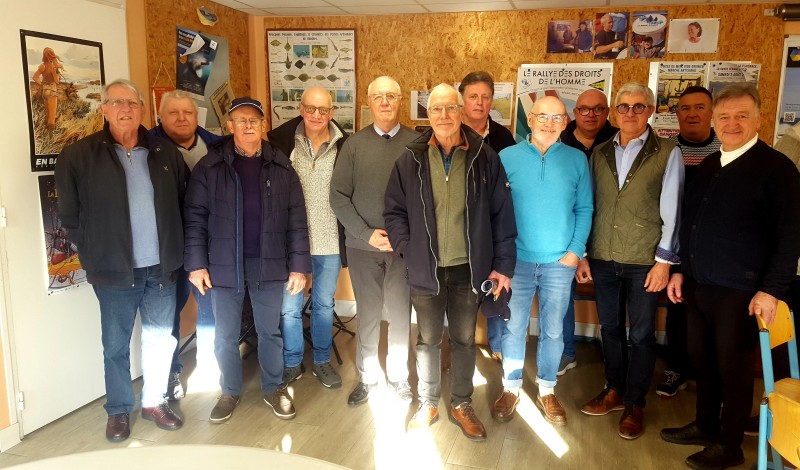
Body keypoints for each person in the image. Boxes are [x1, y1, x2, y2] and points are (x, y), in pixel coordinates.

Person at [660, 84, 800, 470]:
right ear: (714, 121)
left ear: (757, 118)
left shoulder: (776, 169)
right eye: (724, 117)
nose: (732, 123)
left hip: (741, 291)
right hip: (699, 284)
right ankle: (706, 425)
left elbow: (790, 237)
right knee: (701, 361)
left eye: (741, 116)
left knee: (734, 369)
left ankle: (731, 443)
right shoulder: (709, 165)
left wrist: (771, 291)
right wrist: (679, 271)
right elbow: (690, 225)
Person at [55, 79, 187, 441]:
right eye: (117, 103)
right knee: (115, 346)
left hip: (161, 269)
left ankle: (154, 402)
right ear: (104, 110)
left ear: (143, 109)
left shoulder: (163, 153)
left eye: (132, 103)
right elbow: (69, 213)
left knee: (161, 341)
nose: (126, 109)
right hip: (113, 272)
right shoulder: (79, 156)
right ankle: (117, 411)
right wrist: (94, 250)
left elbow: (183, 202)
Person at [384, 83, 517, 441]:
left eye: (450, 108)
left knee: (462, 339)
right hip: (424, 267)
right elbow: (394, 211)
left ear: (461, 112)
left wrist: (502, 265)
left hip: (468, 269)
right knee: (427, 340)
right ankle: (427, 402)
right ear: (428, 114)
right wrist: (407, 247)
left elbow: (502, 216)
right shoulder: (409, 159)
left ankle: (461, 402)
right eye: (437, 108)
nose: (444, 115)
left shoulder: (485, 156)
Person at [183, 97, 311, 424]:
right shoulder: (210, 168)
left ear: (263, 124)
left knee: (271, 332)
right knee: (224, 334)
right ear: (230, 126)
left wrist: (299, 266)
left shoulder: (281, 166)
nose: (248, 125)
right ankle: (229, 391)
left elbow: (297, 219)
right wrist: (196, 263)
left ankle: (273, 387)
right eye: (241, 120)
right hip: (223, 265)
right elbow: (195, 218)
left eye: (254, 120)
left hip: (269, 263)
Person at [578, 82, 684, 440]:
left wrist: (664, 262)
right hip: (604, 257)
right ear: (614, 112)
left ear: (651, 110)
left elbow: (673, 211)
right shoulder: (601, 152)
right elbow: (590, 207)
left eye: (639, 107)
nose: (630, 113)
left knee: (640, 335)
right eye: (623, 107)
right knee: (609, 329)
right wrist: (586, 254)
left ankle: (635, 402)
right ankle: (614, 389)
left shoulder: (668, 151)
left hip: (645, 261)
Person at [488, 96, 592, 426]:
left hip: (559, 263)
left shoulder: (577, 160)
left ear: (566, 122)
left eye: (557, 117)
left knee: (553, 331)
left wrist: (575, 251)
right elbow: (494, 210)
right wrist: (499, 255)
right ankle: (511, 387)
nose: (549, 123)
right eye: (542, 116)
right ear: (529, 121)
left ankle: (547, 389)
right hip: (514, 261)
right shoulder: (507, 157)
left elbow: (585, 209)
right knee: (513, 327)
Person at [329, 76, 420, 406]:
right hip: (362, 247)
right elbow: (338, 197)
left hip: (403, 250)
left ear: (400, 100)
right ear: (368, 103)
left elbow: (424, 198)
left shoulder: (418, 142)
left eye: (391, 96)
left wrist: (401, 237)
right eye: (378, 97)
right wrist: (366, 233)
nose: (384, 102)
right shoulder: (353, 145)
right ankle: (368, 377)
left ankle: (398, 377)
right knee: (366, 314)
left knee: (399, 314)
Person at [267, 86, 349, 389]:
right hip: (291, 244)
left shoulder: (345, 145)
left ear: (331, 112)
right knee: (289, 307)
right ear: (301, 109)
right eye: (311, 108)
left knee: (324, 305)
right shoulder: (281, 143)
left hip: (329, 241)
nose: (317, 115)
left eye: (324, 110)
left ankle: (322, 362)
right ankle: (291, 362)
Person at [149, 89, 224, 400]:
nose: (181, 118)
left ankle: (210, 367)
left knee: (209, 309)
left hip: (208, 245)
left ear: (197, 116)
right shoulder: (146, 148)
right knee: (166, 312)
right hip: (165, 246)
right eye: (173, 113)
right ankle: (169, 374)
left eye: (188, 113)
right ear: (159, 117)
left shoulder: (218, 147)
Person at [657, 86, 721, 398]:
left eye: (699, 107)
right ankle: (677, 369)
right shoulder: (667, 150)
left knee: (715, 317)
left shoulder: (726, 150)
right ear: (676, 114)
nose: (692, 114)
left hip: (715, 252)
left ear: (711, 113)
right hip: (676, 249)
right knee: (678, 312)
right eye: (685, 108)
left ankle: (712, 377)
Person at [555, 88, 618, 376]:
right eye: (584, 109)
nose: (590, 115)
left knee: (610, 296)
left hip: (609, 233)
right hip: (567, 235)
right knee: (561, 297)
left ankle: (614, 352)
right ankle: (566, 351)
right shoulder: (558, 141)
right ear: (574, 113)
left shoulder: (621, 140)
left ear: (607, 112)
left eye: (598, 109)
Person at [458, 71, 516, 153]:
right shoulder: (451, 133)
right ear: (461, 100)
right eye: (473, 97)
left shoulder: (504, 137)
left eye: (485, 97)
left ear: (491, 102)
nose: (479, 102)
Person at [32, 47, 64, 129]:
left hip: (44, 92)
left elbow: (35, 77)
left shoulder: (42, 66)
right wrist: (55, 72)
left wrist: (42, 85)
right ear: (51, 56)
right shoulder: (53, 67)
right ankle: (51, 135)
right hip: (52, 91)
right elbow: (57, 82)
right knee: (52, 115)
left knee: (47, 113)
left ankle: (45, 133)